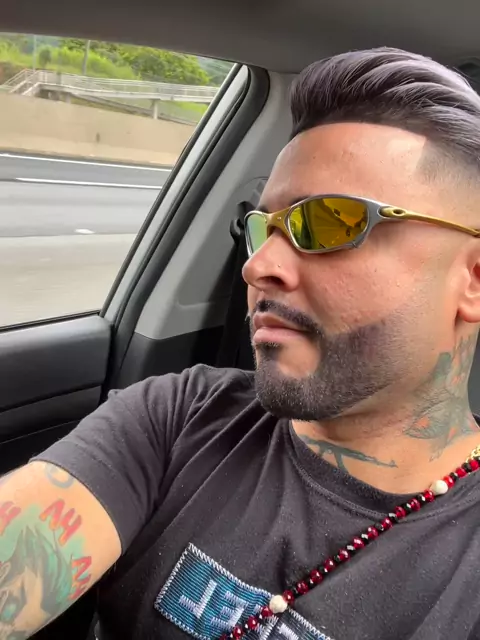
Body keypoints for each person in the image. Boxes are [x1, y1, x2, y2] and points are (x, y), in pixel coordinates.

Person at [2, 46, 480, 640]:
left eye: (329, 222)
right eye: (263, 228)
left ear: (472, 280)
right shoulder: (179, 416)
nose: (257, 267)